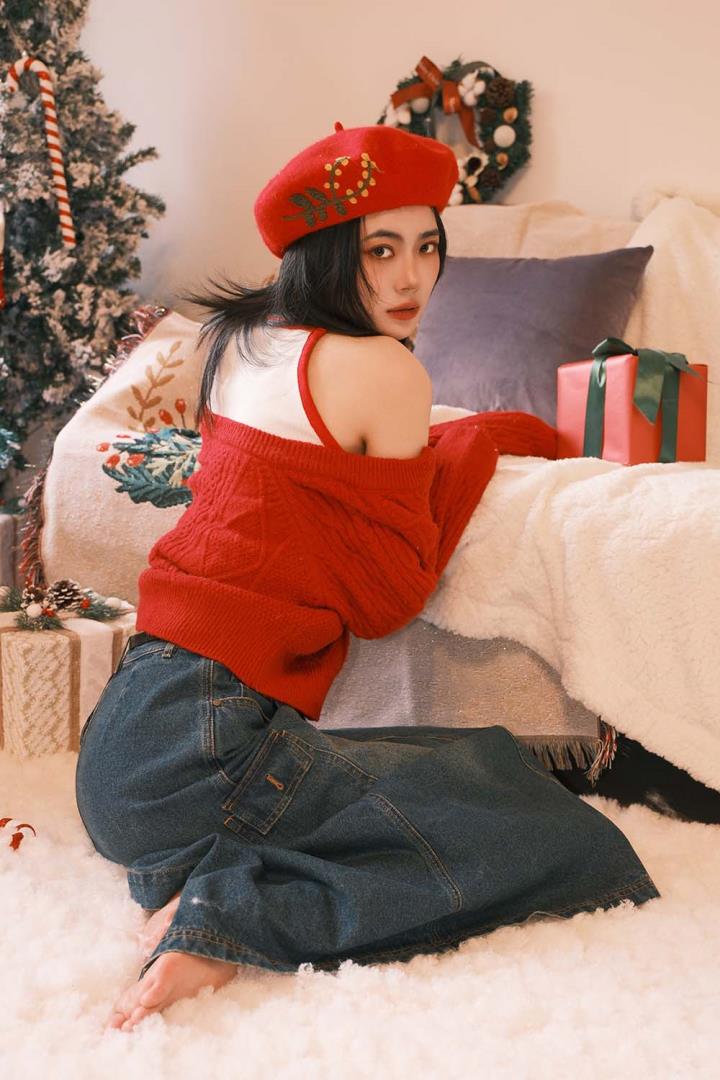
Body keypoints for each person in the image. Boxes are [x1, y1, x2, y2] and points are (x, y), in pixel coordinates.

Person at [75, 122, 660, 1034]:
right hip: (207, 751)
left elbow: (307, 493)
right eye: (380, 250)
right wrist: (471, 444)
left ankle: (200, 877)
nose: (409, 278)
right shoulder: (384, 368)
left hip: (123, 749)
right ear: (329, 254)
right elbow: (390, 600)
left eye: (426, 247)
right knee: (556, 831)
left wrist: (452, 442)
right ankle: (230, 919)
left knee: (477, 763)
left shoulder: (245, 339)